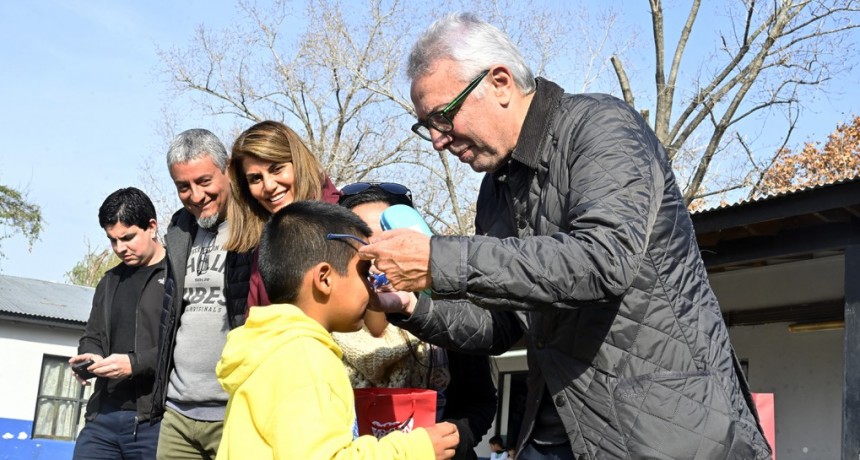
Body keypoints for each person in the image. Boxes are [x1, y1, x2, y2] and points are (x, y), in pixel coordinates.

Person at [359, 13, 772, 460]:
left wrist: (439, 259)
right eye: (428, 126)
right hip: (560, 429)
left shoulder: (601, 127)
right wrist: (411, 307)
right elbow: (503, 325)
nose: (438, 139)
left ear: (499, 82)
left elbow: (602, 261)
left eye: (444, 115)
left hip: (665, 430)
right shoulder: (494, 192)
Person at [215, 200, 460, 459]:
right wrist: (416, 449)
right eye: (365, 273)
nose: (373, 285)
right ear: (324, 279)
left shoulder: (272, 346)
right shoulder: (304, 357)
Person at [339, 182, 497, 460]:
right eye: (365, 242)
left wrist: (452, 437)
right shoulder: (327, 322)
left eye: (390, 240)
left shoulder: (449, 313)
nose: (379, 256)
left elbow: (479, 401)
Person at [151, 128, 253, 459]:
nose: (196, 195)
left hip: (234, 411)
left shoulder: (255, 225)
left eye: (204, 181)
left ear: (227, 171)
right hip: (178, 414)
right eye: (184, 186)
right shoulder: (180, 229)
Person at [70, 187, 166, 459]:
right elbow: (92, 335)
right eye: (113, 240)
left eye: (127, 237)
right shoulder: (110, 281)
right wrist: (87, 356)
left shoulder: (177, 278)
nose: (120, 248)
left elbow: (183, 347)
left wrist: (134, 364)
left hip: (154, 421)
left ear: (151, 227)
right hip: (103, 419)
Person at [224, 119, 340, 309]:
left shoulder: (346, 221)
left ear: (299, 163)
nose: (268, 186)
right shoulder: (262, 245)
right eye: (255, 179)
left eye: (277, 169)